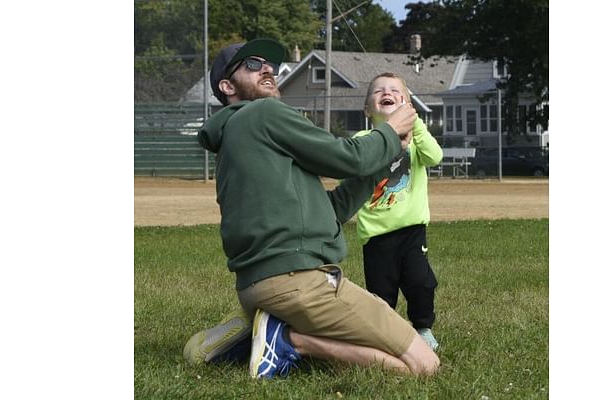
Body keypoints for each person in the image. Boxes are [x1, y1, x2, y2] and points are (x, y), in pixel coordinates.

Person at [185, 38, 440, 379]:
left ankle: (253, 333)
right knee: (425, 366)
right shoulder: (264, 112)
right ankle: (289, 339)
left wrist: (386, 158)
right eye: (252, 65)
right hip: (300, 284)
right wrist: (391, 132)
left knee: (385, 340)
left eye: (269, 64)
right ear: (227, 86)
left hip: (256, 288)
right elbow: (348, 158)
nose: (267, 69)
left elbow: (329, 211)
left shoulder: (238, 137)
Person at [351, 73, 443, 351]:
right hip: (376, 235)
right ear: (368, 110)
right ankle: (386, 335)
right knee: (381, 293)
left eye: (394, 91)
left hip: (412, 230)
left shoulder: (416, 138)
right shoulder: (363, 139)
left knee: (421, 282)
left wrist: (415, 125)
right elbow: (353, 170)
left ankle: (422, 326)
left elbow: (434, 157)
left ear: (407, 104)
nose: (386, 93)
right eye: (378, 91)